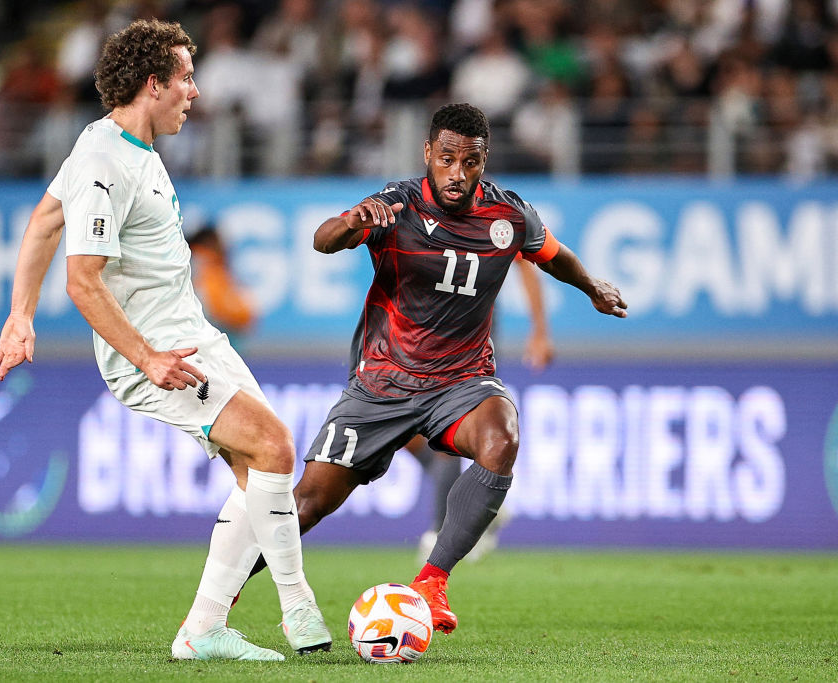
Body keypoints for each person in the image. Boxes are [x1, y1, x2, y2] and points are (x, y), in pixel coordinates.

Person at [0, 19, 330, 661]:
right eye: (186, 79)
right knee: (276, 446)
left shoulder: (118, 145)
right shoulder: (102, 160)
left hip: (190, 333)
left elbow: (42, 223)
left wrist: (19, 316)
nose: (195, 93)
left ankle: (202, 630)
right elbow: (83, 282)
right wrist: (146, 358)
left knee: (258, 473)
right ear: (154, 84)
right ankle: (298, 608)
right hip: (156, 351)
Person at [242, 102, 626, 634]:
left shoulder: (508, 215)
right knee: (307, 504)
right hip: (383, 383)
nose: (457, 174)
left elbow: (552, 254)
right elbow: (323, 240)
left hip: (461, 381)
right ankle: (222, 594)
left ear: (483, 161)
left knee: (502, 437)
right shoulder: (395, 205)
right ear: (428, 154)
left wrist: (592, 288)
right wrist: (354, 221)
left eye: (470, 162)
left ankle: (431, 583)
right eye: (447, 159)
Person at [413, 256, 554, 564]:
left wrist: (540, 330)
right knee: (404, 433)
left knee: (445, 426)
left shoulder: (484, 215)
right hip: (416, 331)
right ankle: (480, 503)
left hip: (469, 335)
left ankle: (438, 536)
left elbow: (525, 262)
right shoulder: (415, 211)